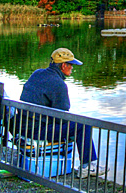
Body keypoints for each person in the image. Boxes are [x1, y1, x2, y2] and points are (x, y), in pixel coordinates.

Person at [19, 48, 106, 178]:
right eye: (71, 65)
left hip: (24, 126)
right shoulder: (59, 84)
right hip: (37, 130)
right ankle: (87, 166)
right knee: (83, 124)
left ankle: (87, 164)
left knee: (76, 125)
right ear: (63, 65)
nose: (72, 68)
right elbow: (62, 117)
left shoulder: (37, 73)